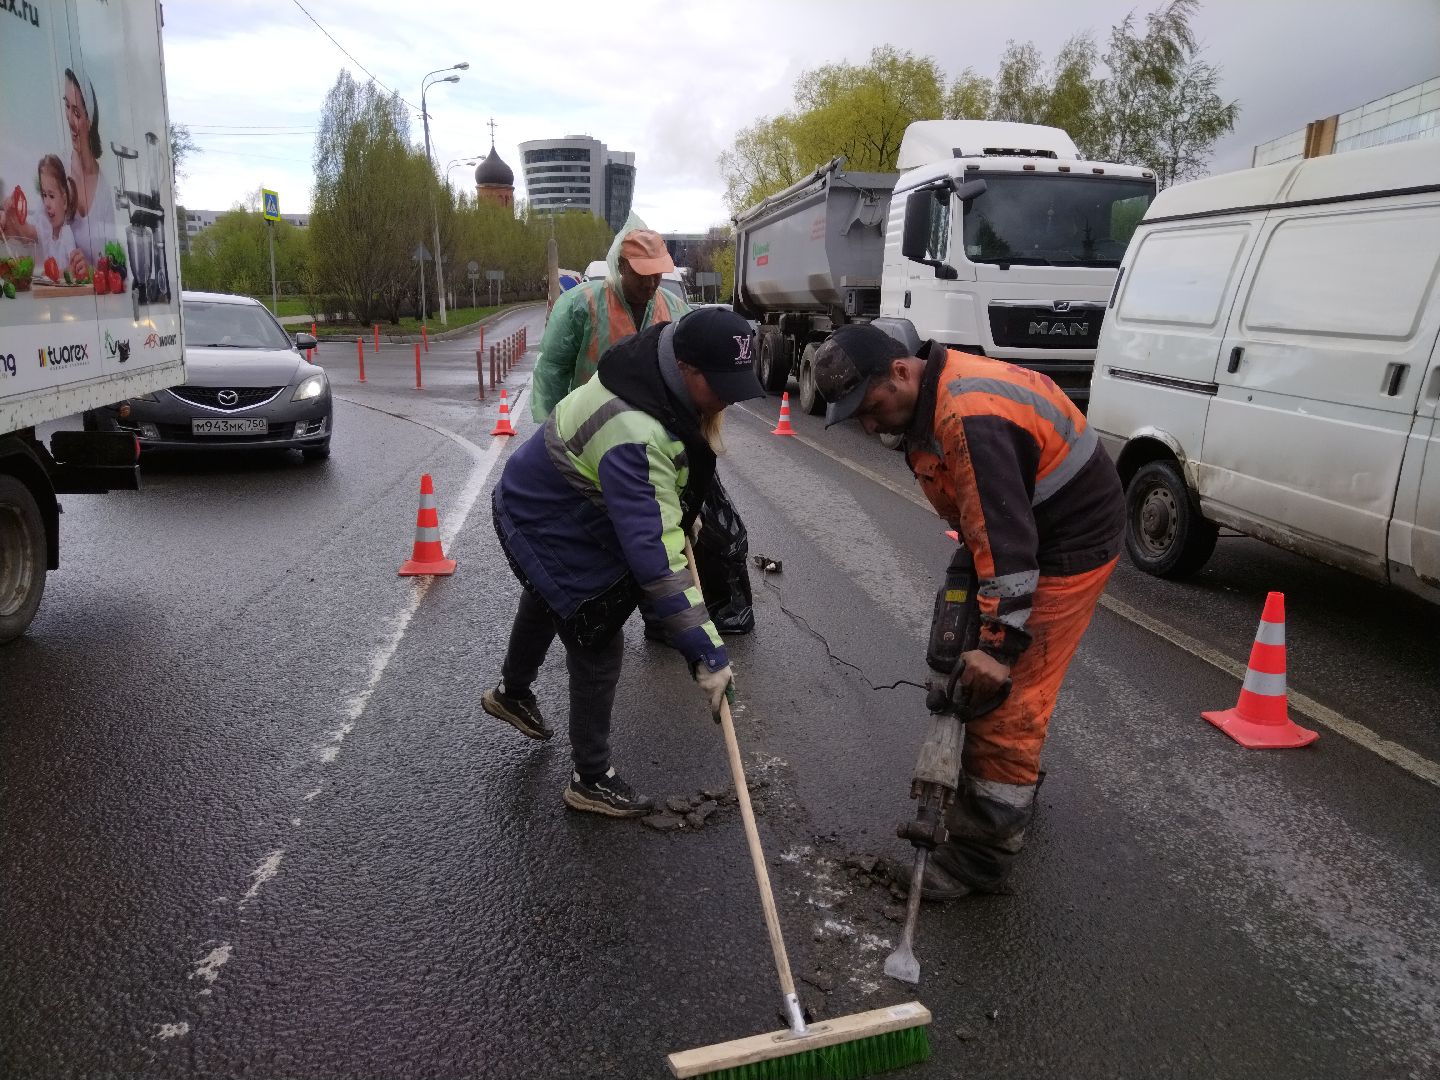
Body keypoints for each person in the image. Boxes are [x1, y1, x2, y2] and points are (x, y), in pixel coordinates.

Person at [814, 324, 1124, 898]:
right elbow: (986, 519)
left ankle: (978, 859)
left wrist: (1000, 645)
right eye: (857, 416)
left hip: (1065, 543)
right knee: (963, 651)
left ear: (901, 371)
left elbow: (1008, 546)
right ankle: (1007, 782)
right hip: (1022, 526)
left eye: (871, 407)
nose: (870, 425)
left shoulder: (968, 416)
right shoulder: (929, 402)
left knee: (1003, 699)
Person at [486, 307, 766, 817]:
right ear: (686, 367)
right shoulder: (635, 430)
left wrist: (679, 511)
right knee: (595, 633)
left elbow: (662, 483)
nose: (727, 398)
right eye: (720, 385)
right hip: (543, 514)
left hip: (546, 494)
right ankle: (590, 779)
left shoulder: (653, 364)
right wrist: (706, 652)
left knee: (549, 591)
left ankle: (512, 692)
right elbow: (656, 564)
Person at [530, 220, 687, 423]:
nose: (650, 283)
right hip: (590, 424)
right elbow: (553, 369)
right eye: (641, 274)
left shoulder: (676, 309)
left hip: (654, 429)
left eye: (656, 275)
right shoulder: (582, 305)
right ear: (621, 265)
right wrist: (552, 424)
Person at [61, 68, 117, 281]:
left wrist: (91, 271)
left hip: (90, 294)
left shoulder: (104, 189)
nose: (69, 119)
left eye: (76, 113)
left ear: (89, 120)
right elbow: (41, 231)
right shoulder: (58, 168)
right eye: (67, 106)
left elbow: (113, 264)